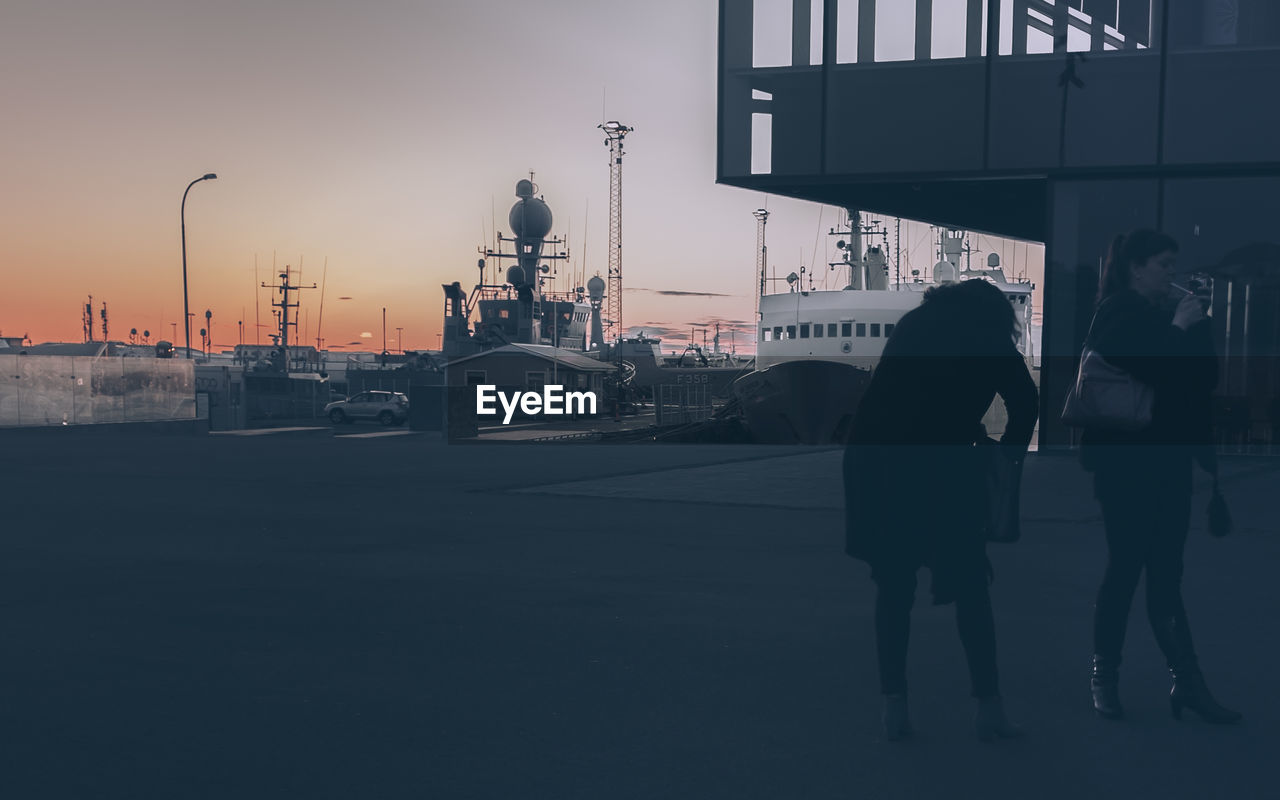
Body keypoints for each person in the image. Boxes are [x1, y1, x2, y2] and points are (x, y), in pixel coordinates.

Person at [843, 278, 1038, 741]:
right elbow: (1025, 401)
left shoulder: (914, 324)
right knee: (972, 590)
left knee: (894, 590)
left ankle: (895, 707)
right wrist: (1006, 456)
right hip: (945, 471)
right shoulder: (987, 336)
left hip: (879, 467)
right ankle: (989, 710)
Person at [1080, 230, 1241, 723]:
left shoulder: (1176, 316)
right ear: (1136, 268)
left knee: (1167, 576)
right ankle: (1104, 678)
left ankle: (1187, 683)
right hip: (1124, 467)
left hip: (1169, 464)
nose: (1172, 272)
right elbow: (1147, 365)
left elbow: (1204, 380)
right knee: (1126, 568)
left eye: (1174, 264)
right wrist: (1176, 325)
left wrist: (1199, 324)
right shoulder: (1116, 312)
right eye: (1164, 264)